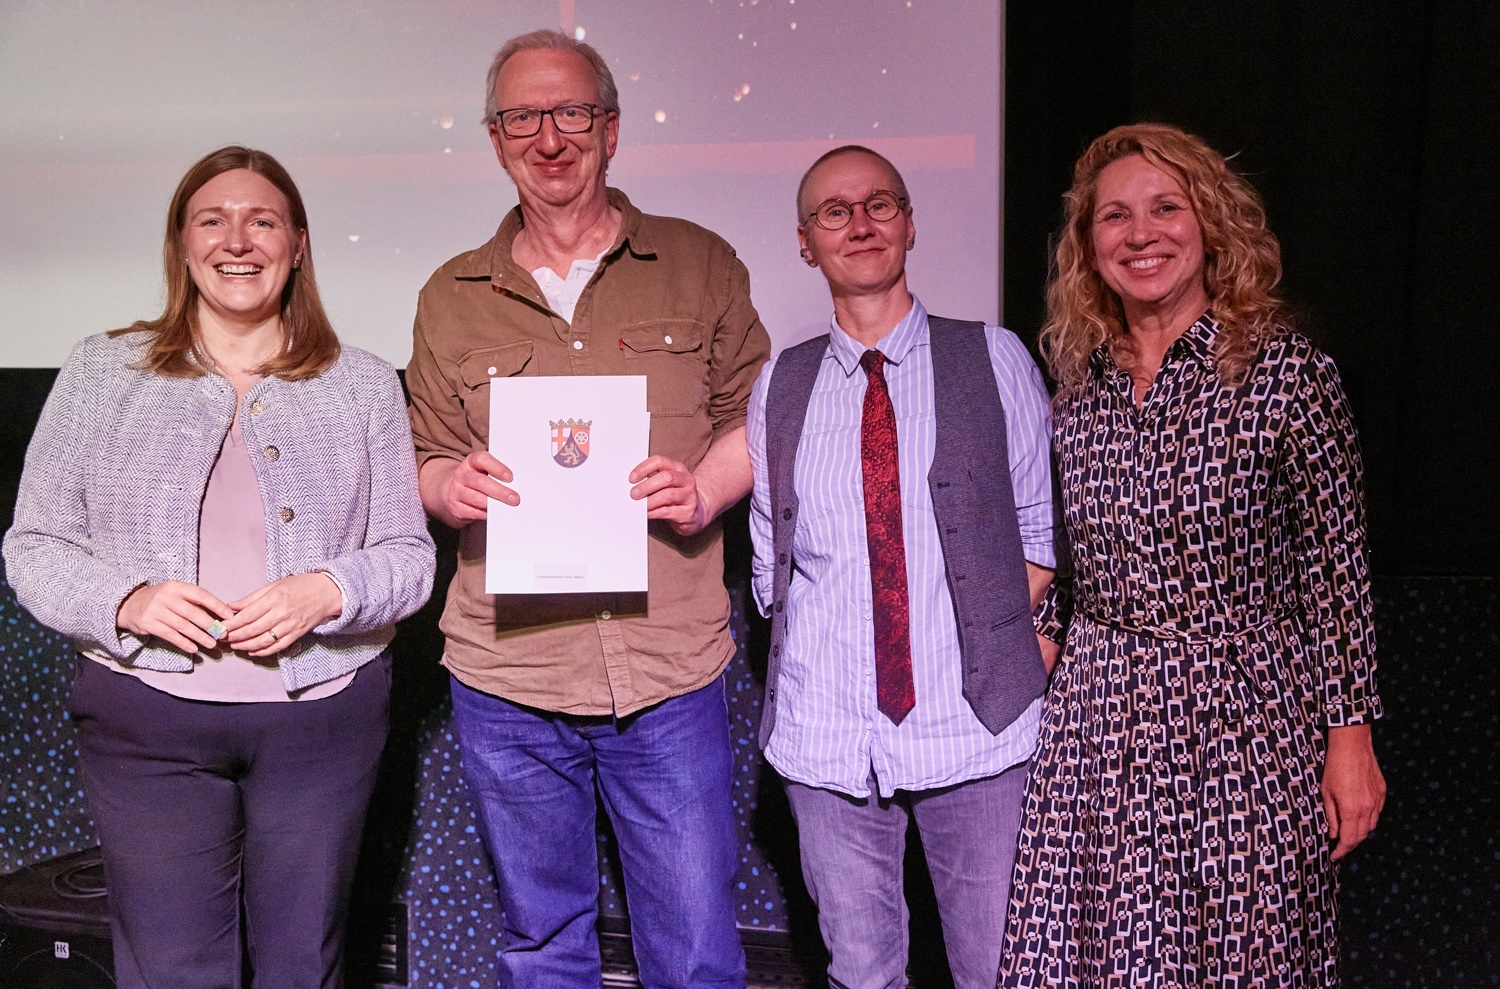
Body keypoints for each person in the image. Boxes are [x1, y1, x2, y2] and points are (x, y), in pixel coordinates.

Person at [3, 146, 435, 988]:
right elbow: (35, 544)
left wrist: (328, 591)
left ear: (297, 245)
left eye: (262, 220)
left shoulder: (363, 383)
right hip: (147, 720)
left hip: (323, 720)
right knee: (172, 970)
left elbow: (410, 559)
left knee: (301, 967)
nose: (237, 240)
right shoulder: (100, 370)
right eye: (213, 220)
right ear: (182, 244)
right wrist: (126, 599)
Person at [404, 29, 770, 988]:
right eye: (523, 117)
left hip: (666, 666)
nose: (549, 137)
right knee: (542, 946)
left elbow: (760, 416)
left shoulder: (699, 263)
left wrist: (706, 488)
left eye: (570, 112)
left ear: (610, 129)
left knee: (695, 952)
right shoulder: (449, 296)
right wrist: (449, 486)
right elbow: (425, 453)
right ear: (496, 140)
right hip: (508, 672)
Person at [998, 123, 1387, 988]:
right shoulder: (1079, 390)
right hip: (1099, 721)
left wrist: (1350, 740)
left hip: (1244, 718)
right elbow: (1076, 558)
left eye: (1166, 208)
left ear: (1210, 223)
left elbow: (1338, 573)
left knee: (1247, 954)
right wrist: (1030, 649)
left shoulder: (1287, 376)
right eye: (1115, 216)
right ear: (1087, 244)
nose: (1141, 234)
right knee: (1100, 956)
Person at [747, 145, 1058, 989]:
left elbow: (1041, 537)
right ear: (806, 242)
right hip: (829, 740)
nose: (861, 223)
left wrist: (997, 647)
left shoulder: (993, 358)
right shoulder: (781, 383)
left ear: (910, 224)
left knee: (998, 969)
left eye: (880, 204)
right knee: (862, 974)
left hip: (976, 729)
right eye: (835, 211)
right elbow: (773, 565)